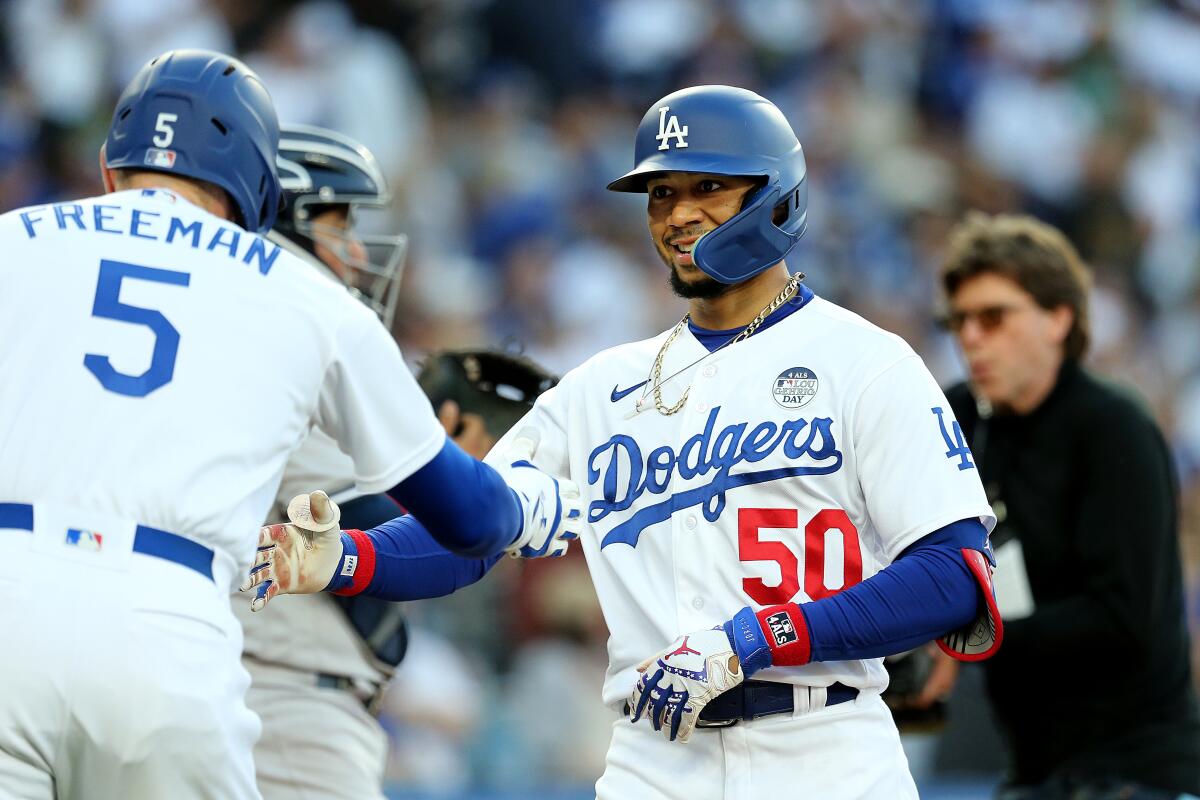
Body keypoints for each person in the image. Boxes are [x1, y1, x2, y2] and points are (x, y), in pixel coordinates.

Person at [251, 85, 1004, 800]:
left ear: (775, 192)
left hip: (826, 748)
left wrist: (754, 641)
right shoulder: (601, 388)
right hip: (655, 759)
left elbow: (956, 576)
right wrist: (350, 557)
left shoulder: (865, 362)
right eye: (661, 193)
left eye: (707, 187)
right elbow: (481, 530)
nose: (678, 214)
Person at [0, 49, 578, 800]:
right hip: (165, 625)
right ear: (258, 187)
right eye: (341, 222)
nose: (357, 246)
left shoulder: (16, 237)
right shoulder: (300, 294)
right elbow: (468, 520)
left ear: (113, 167)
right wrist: (533, 502)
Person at [238, 125, 561, 800]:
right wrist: (491, 485)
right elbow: (424, 537)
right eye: (338, 223)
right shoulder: (297, 354)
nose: (356, 249)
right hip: (285, 706)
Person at [937, 212, 1200, 800]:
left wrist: (964, 634)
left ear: (1059, 318)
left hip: (1135, 769)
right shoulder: (957, 419)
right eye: (959, 321)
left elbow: (1122, 619)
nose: (970, 337)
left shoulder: (1112, 427)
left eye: (994, 317)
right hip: (1028, 764)